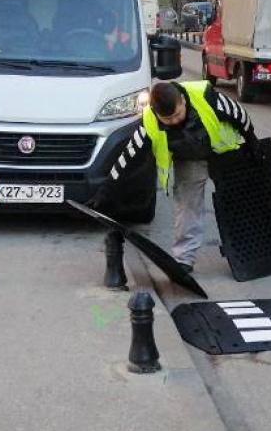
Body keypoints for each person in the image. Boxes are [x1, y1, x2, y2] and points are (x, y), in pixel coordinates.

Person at [88, 80, 259, 285]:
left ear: (183, 101)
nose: (175, 121)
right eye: (168, 119)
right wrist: (105, 193)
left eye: (178, 114)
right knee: (187, 205)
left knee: (239, 201)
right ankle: (184, 259)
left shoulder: (208, 98)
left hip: (225, 152)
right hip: (189, 158)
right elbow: (127, 159)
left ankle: (250, 246)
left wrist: (253, 146)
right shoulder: (149, 124)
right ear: (155, 111)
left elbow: (240, 116)